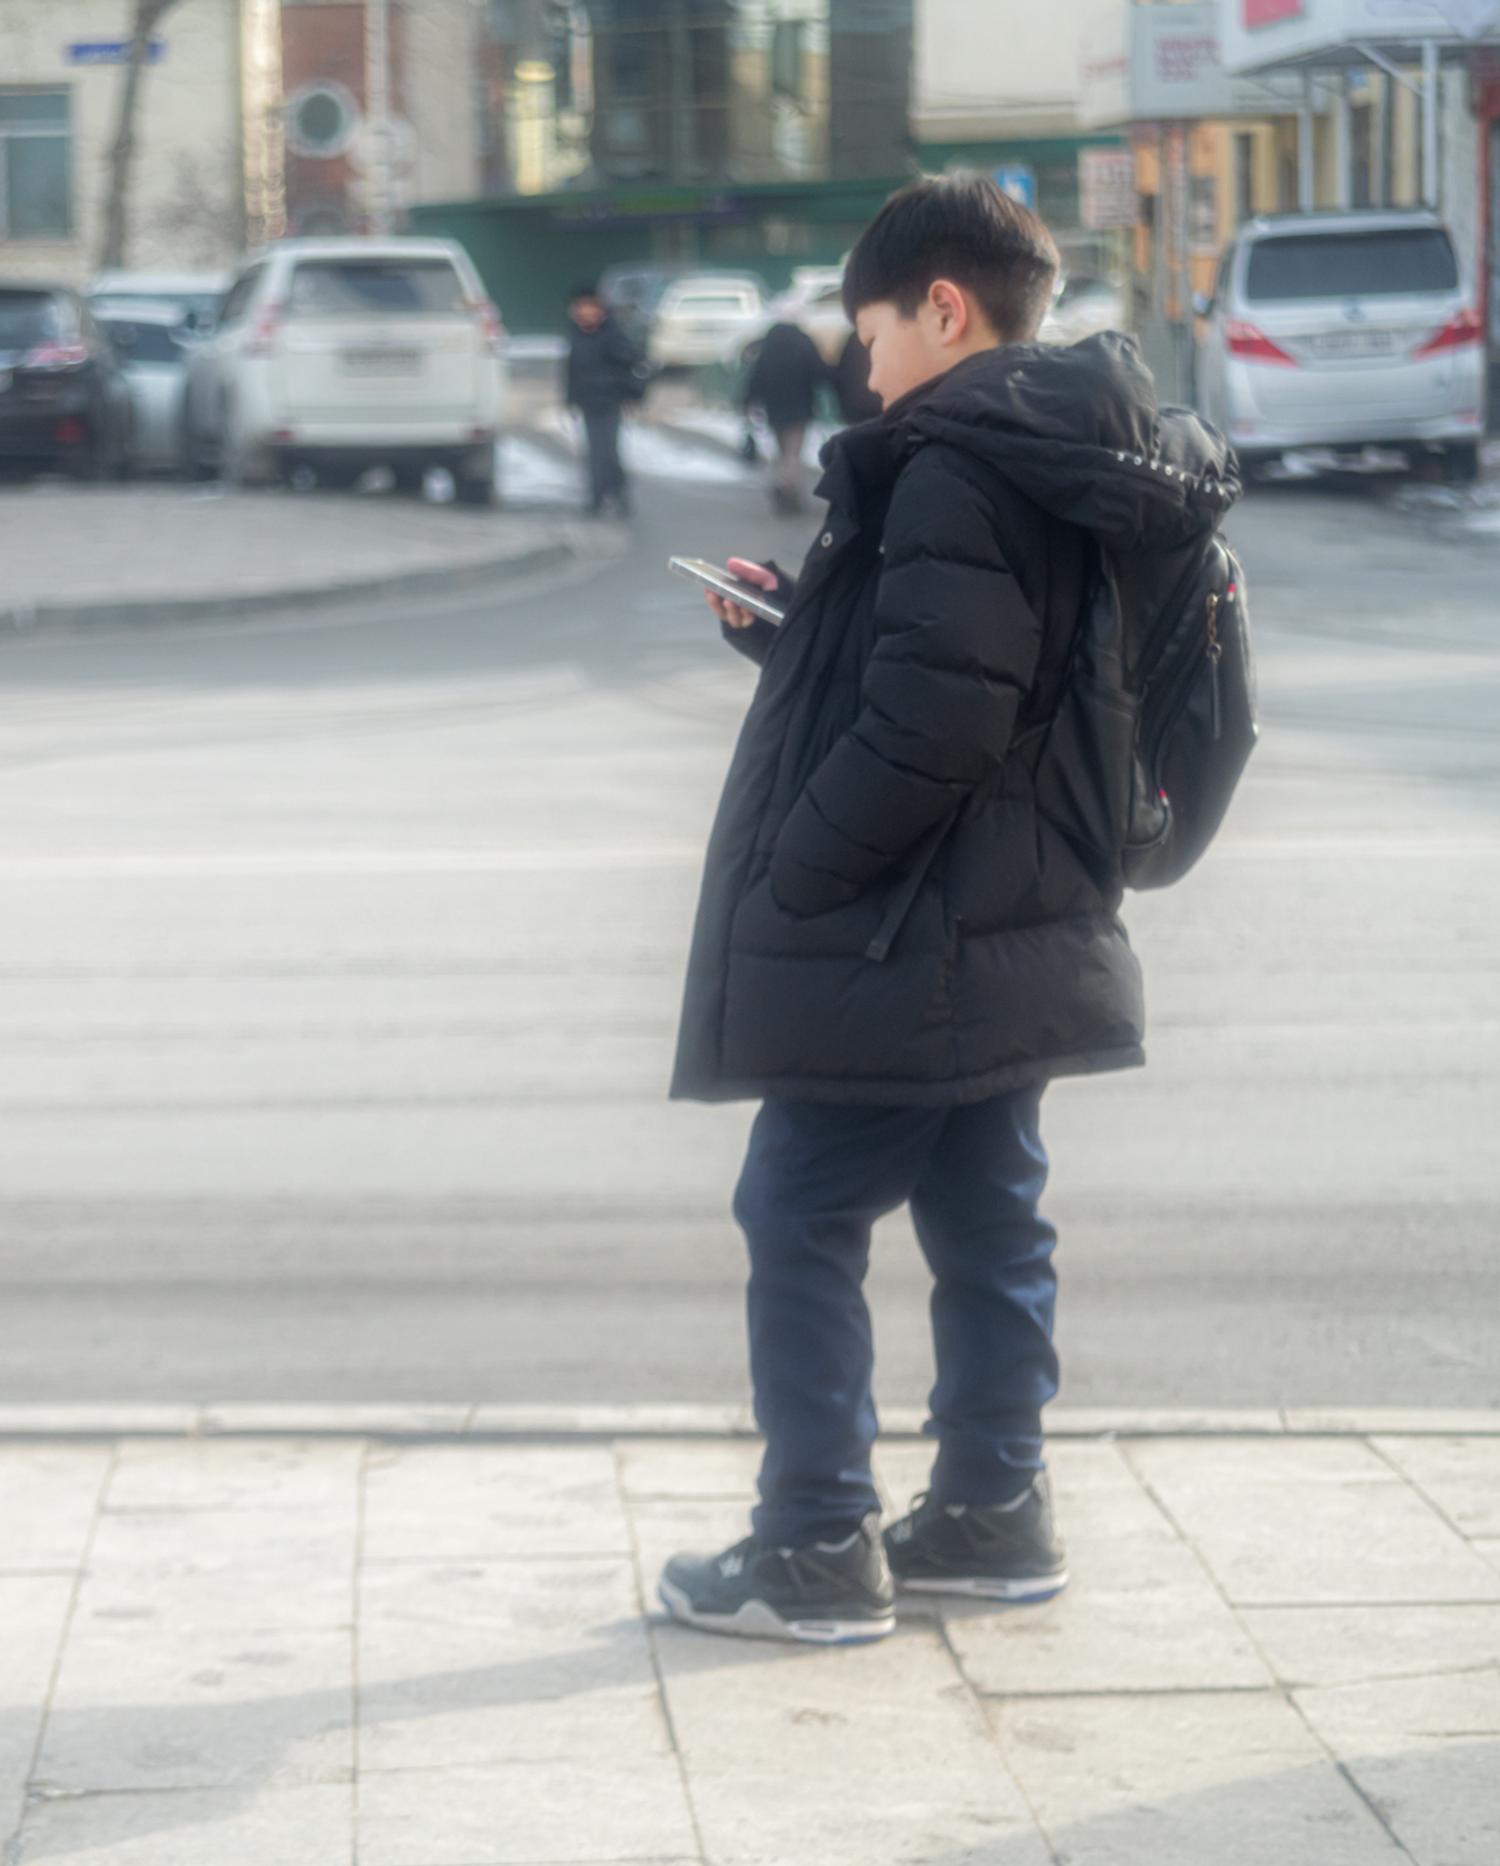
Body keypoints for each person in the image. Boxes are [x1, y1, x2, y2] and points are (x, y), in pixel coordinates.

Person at [658, 177, 1239, 1644]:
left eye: (870, 339)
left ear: (942, 306)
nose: (865, 375)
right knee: (988, 1213)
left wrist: (803, 867)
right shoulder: (1072, 450)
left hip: (907, 929)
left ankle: (812, 1540)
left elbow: (937, 724)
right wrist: (798, 633)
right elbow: (1001, 676)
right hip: (1023, 913)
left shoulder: (949, 464)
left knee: (797, 1208)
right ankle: (993, 1509)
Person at [563, 283, 644, 519]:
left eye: (590, 306)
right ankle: (597, 496)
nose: (585, 312)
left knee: (608, 450)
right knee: (593, 450)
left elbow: (630, 359)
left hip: (610, 399)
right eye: (580, 307)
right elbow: (571, 370)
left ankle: (616, 491)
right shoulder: (575, 334)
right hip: (588, 400)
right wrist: (570, 399)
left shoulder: (612, 332)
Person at [743, 317, 827, 514]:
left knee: (782, 451)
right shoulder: (803, 345)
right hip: (800, 408)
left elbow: (756, 379)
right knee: (793, 452)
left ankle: (785, 487)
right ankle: (789, 490)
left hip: (775, 410)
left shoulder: (768, 350)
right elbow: (820, 372)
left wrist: (747, 403)